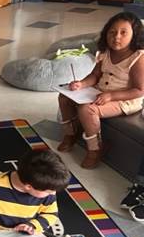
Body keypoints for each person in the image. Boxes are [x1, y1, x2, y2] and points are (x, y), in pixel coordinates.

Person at [57, 11, 144, 169]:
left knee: (87, 109)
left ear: (135, 35)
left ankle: (95, 149)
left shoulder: (138, 58)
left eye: (123, 33)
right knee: (64, 97)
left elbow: (139, 90)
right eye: (112, 32)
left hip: (125, 99)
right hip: (100, 91)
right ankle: (70, 133)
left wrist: (111, 96)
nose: (116, 37)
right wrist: (82, 84)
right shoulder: (106, 53)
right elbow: (95, 75)